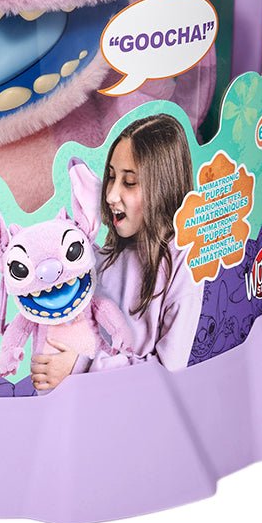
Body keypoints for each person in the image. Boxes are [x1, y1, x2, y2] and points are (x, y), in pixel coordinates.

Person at [30, 114, 203, 390]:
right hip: (82, 404)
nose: (110, 195)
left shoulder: (182, 260)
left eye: (129, 182)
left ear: (164, 185)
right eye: (111, 177)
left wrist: (80, 366)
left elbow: (171, 367)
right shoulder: (101, 258)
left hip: (138, 406)